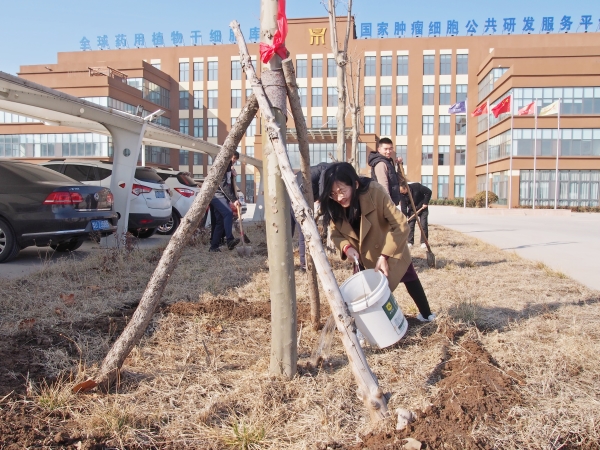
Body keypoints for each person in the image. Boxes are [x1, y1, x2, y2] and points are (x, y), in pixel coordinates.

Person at [319, 162, 436, 322]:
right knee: (365, 293)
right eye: (333, 194)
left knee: (408, 275)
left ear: (355, 184)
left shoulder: (374, 192)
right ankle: (373, 323)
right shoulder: (333, 205)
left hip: (388, 245)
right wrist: (346, 248)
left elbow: (400, 224)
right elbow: (336, 234)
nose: (339, 198)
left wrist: (385, 256)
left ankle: (426, 314)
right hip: (362, 256)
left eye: (342, 191)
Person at [291, 162, 331, 271]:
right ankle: (304, 265)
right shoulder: (328, 171)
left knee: (289, 232)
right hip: (298, 196)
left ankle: (290, 263)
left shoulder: (323, 168)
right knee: (305, 232)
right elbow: (322, 190)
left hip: (294, 193)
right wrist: (323, 204)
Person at [209, 152, 241, 252]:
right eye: (233, 158)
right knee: (228, 213)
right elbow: (223, 185)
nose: (234, 161)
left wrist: (232, 175)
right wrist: (233, 200)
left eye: (235, 159)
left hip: (222, 196)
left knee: (220, 222)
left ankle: (214, 247)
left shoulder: (229, 167)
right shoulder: (222, 165)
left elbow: (229, 184)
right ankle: (230, 240)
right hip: (216, 195)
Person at [368, 137, 402, 205]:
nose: (388, 151)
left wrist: (399, 165)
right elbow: (383, 186)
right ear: (379, 149)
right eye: (385, 149)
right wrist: (389, 204)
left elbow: (399, 179)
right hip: (385, 204)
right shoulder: (381, 164)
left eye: (390, 148)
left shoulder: (388, 162)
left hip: (390, 202)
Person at [399, 181, 432, 249]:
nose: (402, 193)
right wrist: (404, 218)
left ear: (406, 188)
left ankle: (424, 242)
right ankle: (410, 242)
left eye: (402, 191)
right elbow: (403, 207)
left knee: (423, 225)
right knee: (410, 225)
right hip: (412, 210)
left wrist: (425, 203)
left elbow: (428, 192)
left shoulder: (417, 186)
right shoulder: (402, 195)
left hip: (422, 208)